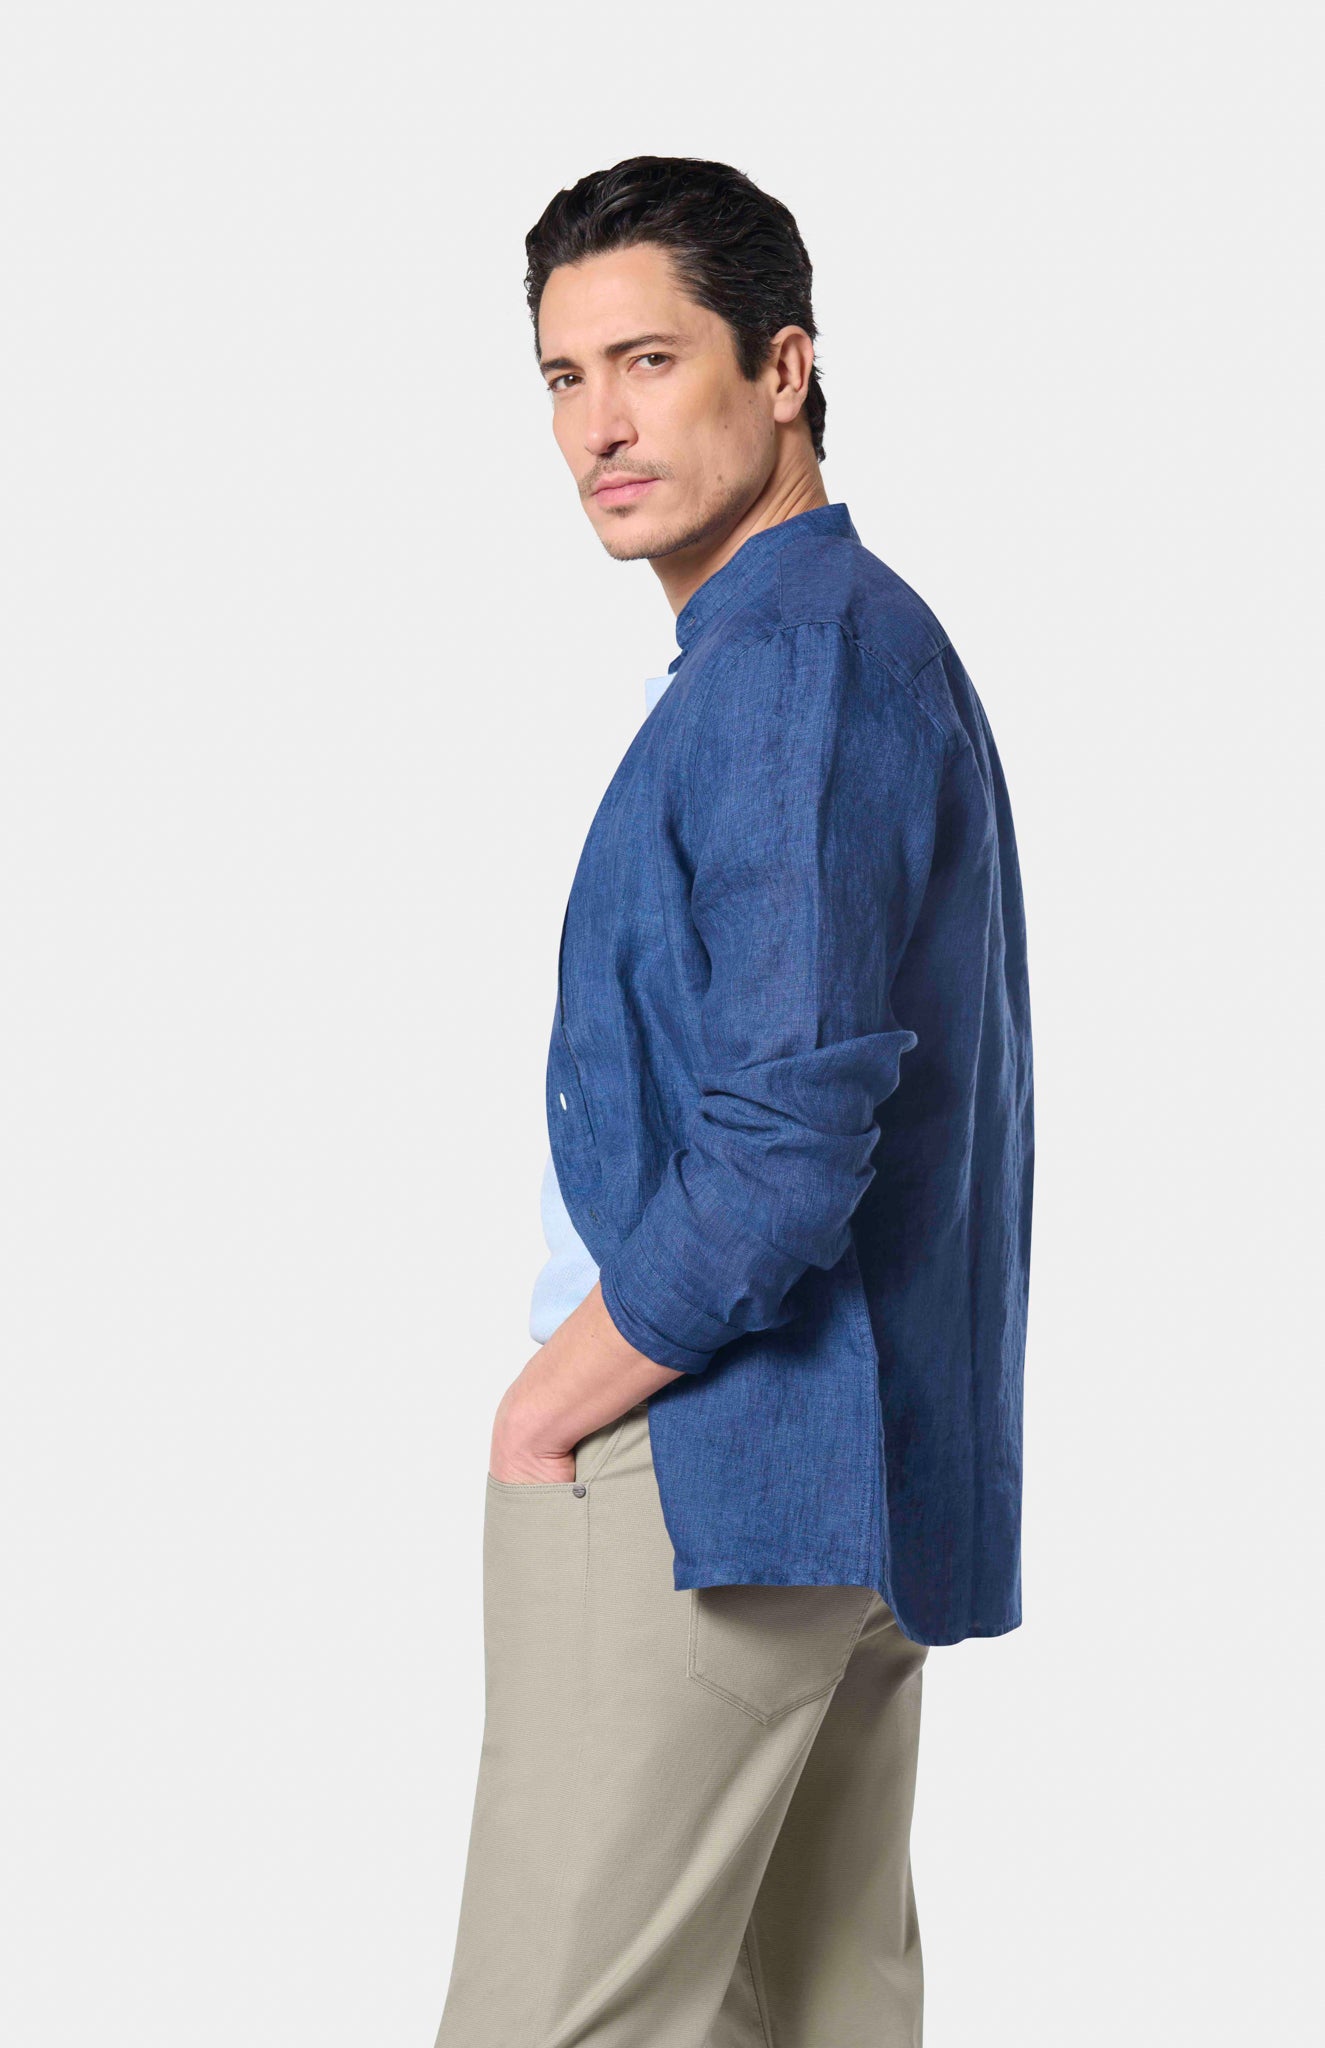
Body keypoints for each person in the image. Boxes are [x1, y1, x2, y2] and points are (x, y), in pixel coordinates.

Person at [434, 155, 1034, 2048]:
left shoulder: (788, 664)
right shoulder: (838, 644)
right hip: (841, 1483)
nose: (596, 427)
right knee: (818, 2016)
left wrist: (549, 1404)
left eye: (647, 361)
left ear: (782, 369)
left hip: (708, 1465)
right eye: (561, 377)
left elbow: (781, 1144)